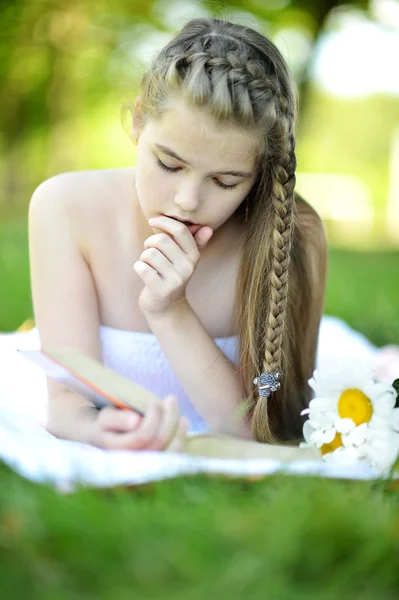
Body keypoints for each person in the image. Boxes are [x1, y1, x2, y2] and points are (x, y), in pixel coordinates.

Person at [10, 17, 393, 453]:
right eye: (170, 165)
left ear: (260, 174)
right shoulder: (65, 207)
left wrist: (170, 310)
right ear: (138, 120)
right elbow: (66, 404)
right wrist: (99, 431)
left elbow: (269, 426)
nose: (188, 200)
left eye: (225, 181)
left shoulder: (292, 236)